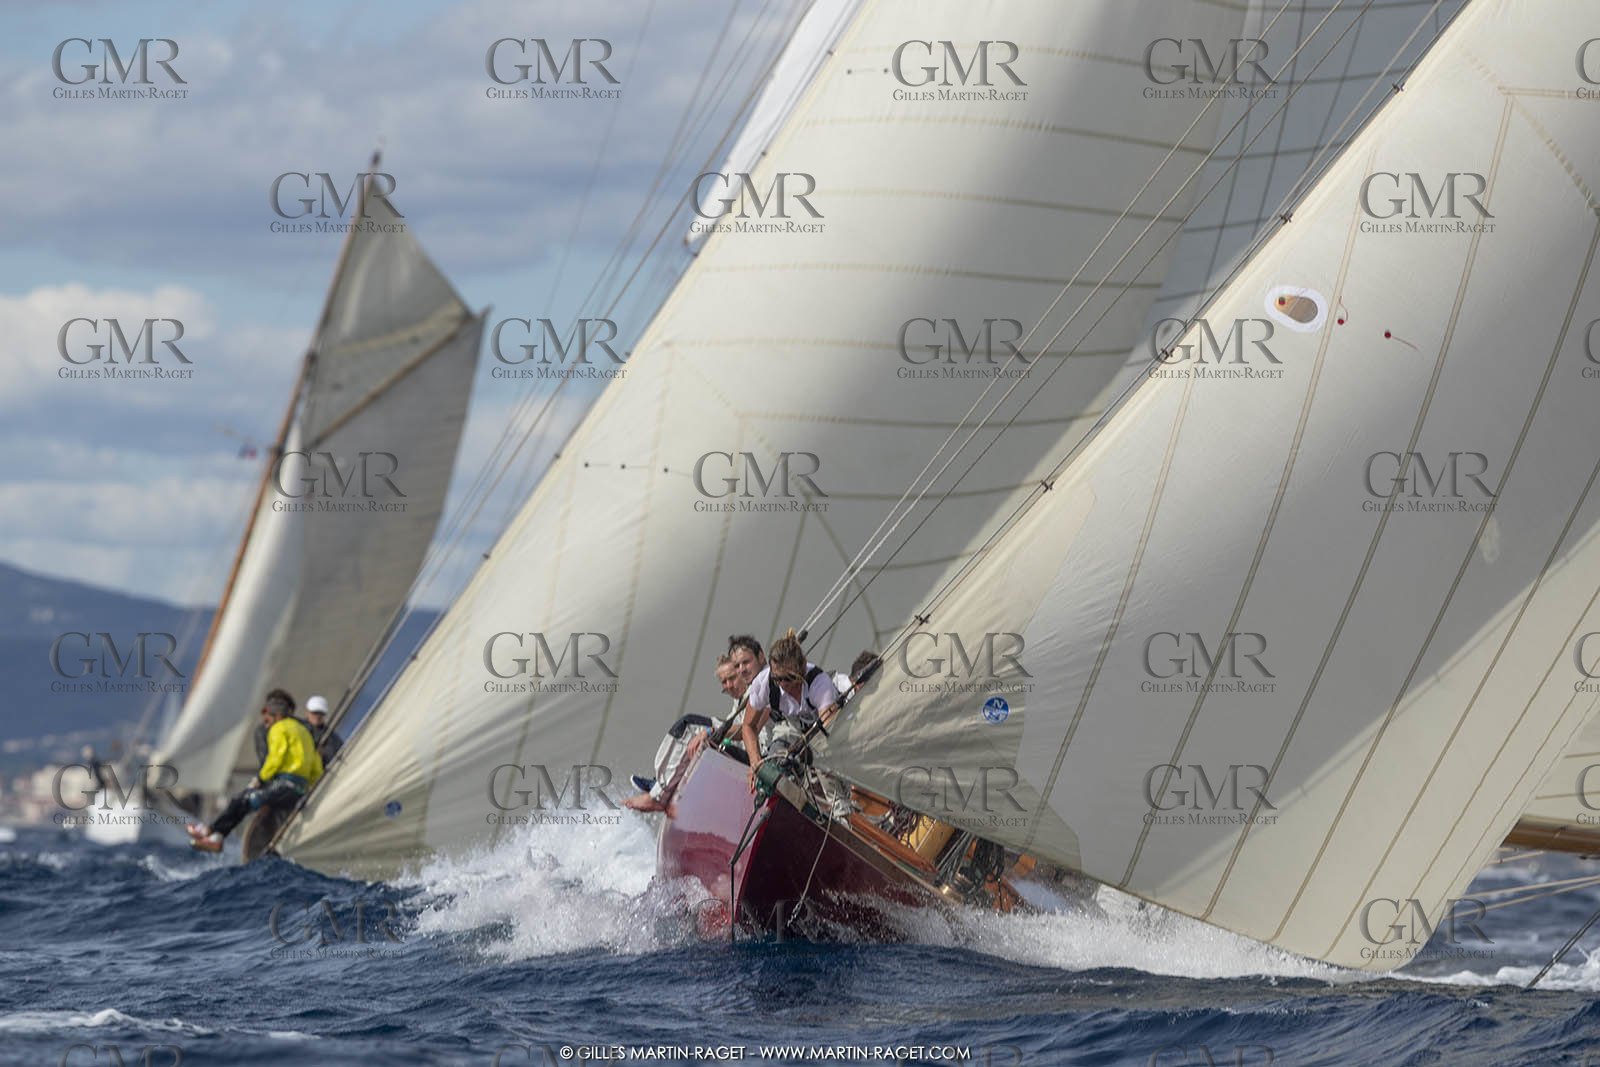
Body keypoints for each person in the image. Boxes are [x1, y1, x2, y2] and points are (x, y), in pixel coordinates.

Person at [187, 689, 322, 853]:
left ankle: (209, 831)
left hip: (285, 785)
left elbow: (275, 759)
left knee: (242, 799)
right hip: (298, 789)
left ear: (277, 716)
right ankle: (216, 837)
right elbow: (316, 767)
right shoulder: (305, 732)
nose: (267, 724)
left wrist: (260, 779)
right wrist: (308, 791)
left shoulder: (279, 728)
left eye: (268, 720)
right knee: (244, 801)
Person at [740, 631, 853, 818]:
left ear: (801, 668)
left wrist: (820, 758)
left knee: (828, 770)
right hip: (792, 725)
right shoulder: (764, 684)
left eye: (788, 678)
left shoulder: (819, 683)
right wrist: (755, 763)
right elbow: (748, 727)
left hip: (824, 729)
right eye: (777, 679)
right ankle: (791, 810)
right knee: (772, 767)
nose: (782, 684)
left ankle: (843, 816)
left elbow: (828, 730)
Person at [305, 695, 344, 760]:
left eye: (321, 713)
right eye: (314, 712)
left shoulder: (332, 737)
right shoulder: (297, 728)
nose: (318, 716)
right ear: (306, 712)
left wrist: (322, 755)